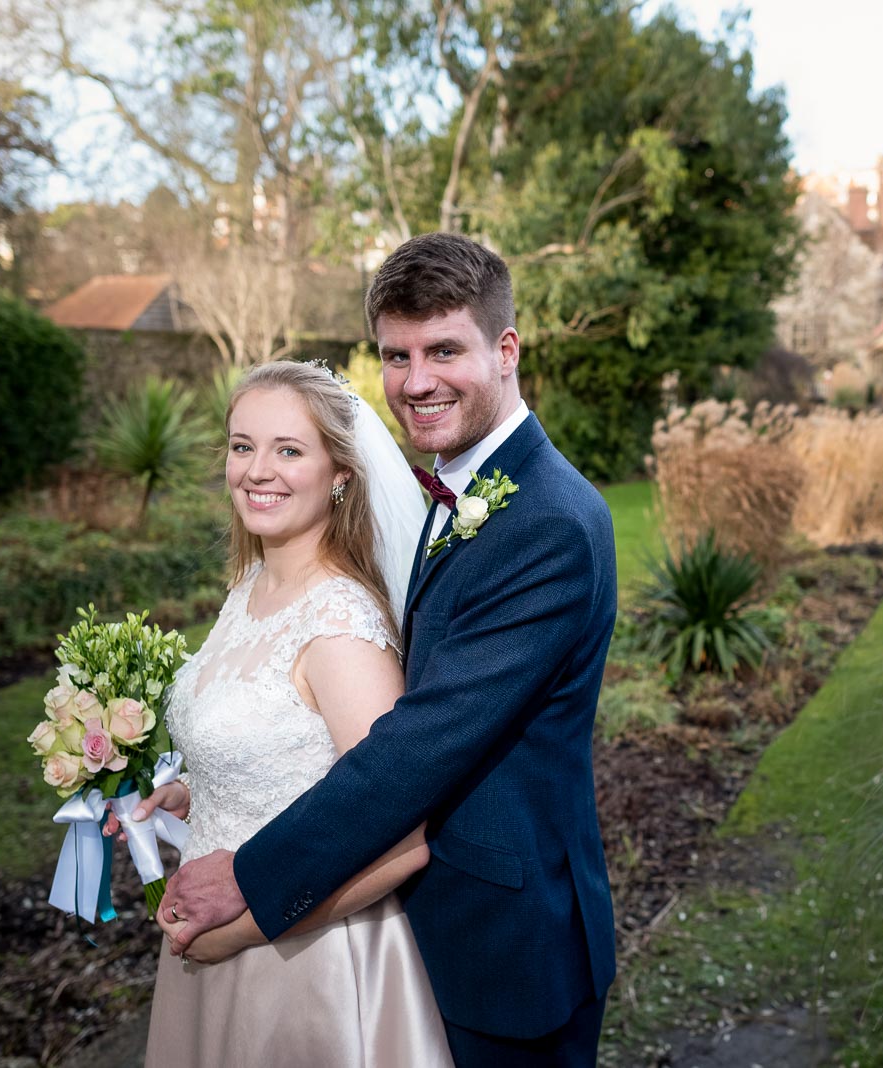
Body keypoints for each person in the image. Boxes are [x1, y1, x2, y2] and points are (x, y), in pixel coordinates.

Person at [161, 233, 620, 1067]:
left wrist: (252, 881)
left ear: (506, 349)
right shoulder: (457, 487)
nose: (416, 382)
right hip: (428, 930)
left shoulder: (548, 522)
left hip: (505, 946)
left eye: (445, 349)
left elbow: (422, 740)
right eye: (396, 355)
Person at [105, 359, 449, 1066]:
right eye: (242, 445)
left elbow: (403, 839)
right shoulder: (252, 585)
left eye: (289, 449)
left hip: (304, 961)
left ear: (342, 473)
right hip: (211, 937)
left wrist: (246, 929)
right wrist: (197, 791)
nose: (257, 470)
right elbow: (291, 753)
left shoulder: (341, 628)